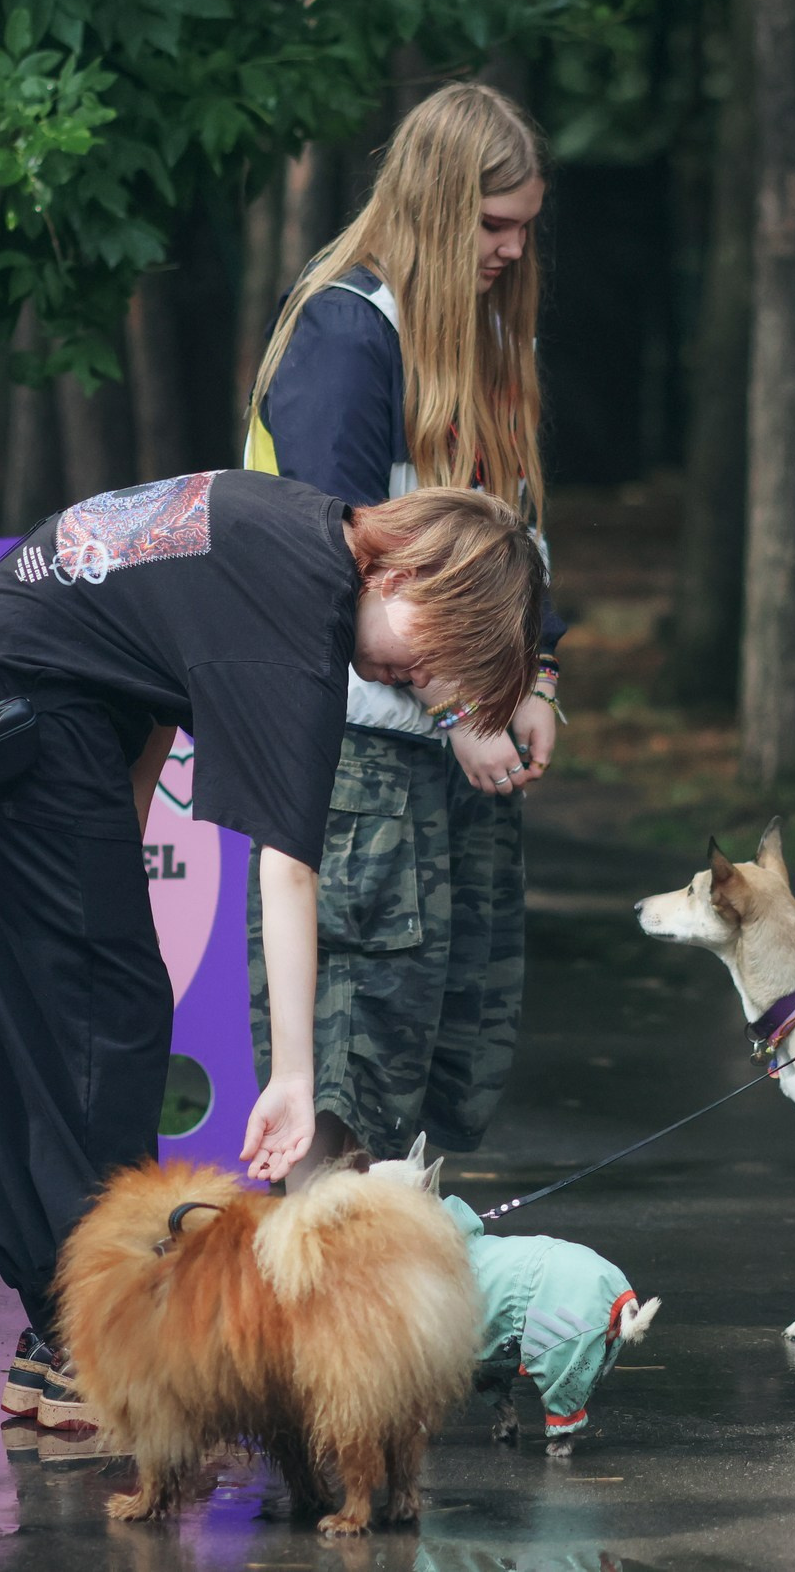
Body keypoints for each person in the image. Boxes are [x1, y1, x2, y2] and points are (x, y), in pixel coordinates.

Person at [0, 474, 545, 1431]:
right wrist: (295, 1074)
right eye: (428, 663)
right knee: (102, 1032)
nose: (418, 686)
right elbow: (290, 868)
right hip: (13, 730)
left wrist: (112, 867)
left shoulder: (280, 532)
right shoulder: (301, 614)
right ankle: (96, 1351)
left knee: (54, 1032)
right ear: (405, 574)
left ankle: (56, 1346)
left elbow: (140, 665)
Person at [241, 81, 563, 1187]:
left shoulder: (471, 327)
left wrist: (539, 677)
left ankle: (390, 1335)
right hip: (357, 755)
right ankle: (313, 1346)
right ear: (431, 207)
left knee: (439, 1062)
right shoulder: (342, 334)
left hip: (447, 746)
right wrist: (463, 699)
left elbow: (507, 534)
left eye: (525, 225)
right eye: (493, 225)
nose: (514, 251)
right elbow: (337, 568)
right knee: (348, 1070)